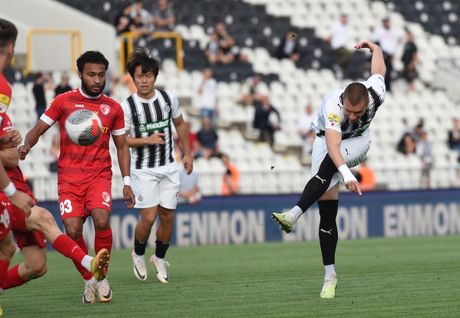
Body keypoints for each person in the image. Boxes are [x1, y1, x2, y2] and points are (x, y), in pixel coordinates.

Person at [271, 40, 386, 299]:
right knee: (327, 210)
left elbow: (378, 72)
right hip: (326, 140)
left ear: (366, 101)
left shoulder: (376, 93)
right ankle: (329, 276)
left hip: (358, 141)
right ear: (343, 101)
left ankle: (293, 214)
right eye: (349, 111)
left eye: (357, 112)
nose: (352, 116)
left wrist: (376, 48)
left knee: (327, 168)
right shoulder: (333, 105)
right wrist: (346, 175)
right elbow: (333, 145)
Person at [19, 51, 136, 303]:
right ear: (80, 74)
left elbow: (122, 146)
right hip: (69, 177)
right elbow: (38, 128)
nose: (97, 80)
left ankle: (102, 276)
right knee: (72, 230)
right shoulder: (64, 102)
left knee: (102, 219)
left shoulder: (113, 107)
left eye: (101, 75)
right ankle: (89, 279)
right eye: (91, 74)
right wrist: (26, 146)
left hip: (99, 174)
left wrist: (127, 182)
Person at [121, 49, 193, 283]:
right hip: (143, 169)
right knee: (149, 217)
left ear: (155, 76)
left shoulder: (167, 98)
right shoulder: (128, 106)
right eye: (140, 76)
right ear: (133, 78)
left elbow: (181, 125)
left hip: (169, 167)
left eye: (148, 76)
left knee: (168, 217)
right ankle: (138, 253)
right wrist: (146, 140)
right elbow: (121, 140)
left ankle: (159, 258)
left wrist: (188, 153)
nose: (144, 80)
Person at [372, 17, 403, 92]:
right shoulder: (379, 31)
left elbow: (400, 37)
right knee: (382, 72)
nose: (386, 24)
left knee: (388, 72)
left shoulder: (394, 31)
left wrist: (395, 47)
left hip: (391, 54)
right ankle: (381, 87)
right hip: (383, 53)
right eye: (385, 22)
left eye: (387, 22)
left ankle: (388, 88)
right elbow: (374, 40)